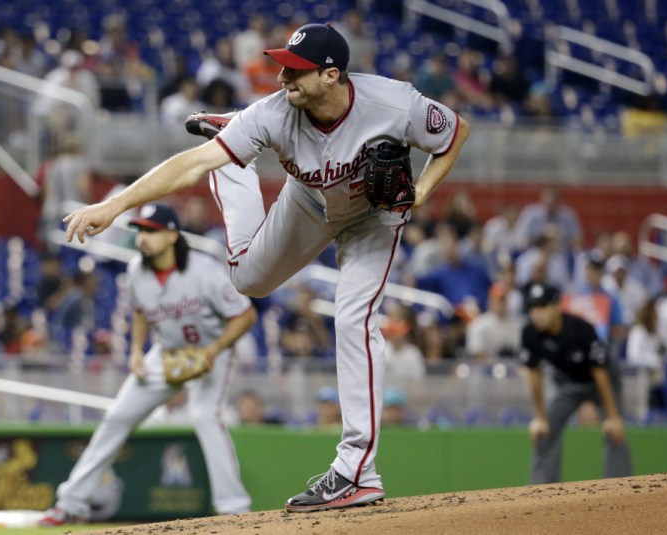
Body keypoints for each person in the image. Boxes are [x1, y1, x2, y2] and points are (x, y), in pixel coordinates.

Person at [62, 22, 469, 512]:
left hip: (374, 219)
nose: (282, 77)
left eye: (295, 71)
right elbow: (191, 164)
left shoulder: (395, 104)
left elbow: (454, 133)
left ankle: (356, 470)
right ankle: (231, 137)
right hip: (308, 201)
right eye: (282, 66)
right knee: (247, 280)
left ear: (331, 75)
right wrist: (115, 207)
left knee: (353, 318)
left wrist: (421, 193)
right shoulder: (276, 111)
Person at [39, 204, 257, 525]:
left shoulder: (203, 269)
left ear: (171, 235)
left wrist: (212, 351)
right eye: (140, 230)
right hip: (166, 351)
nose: (142, 237)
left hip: (212, 349)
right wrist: (137, 352)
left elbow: (245, 315)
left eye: (151, 231)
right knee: (117, 417)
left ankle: (234, 508)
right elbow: (140, 311)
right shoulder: (136, 270)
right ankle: (71, 503)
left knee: (205, 416)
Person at [519, 283, 632, 485]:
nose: (537, 313)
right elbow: (534, 378)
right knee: (545, 431)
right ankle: (540, 492)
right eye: (533, 308)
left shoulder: (582, 329)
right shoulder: (530, 333)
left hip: (602, 381)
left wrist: (613, 416)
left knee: (614, 429)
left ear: (557, 306)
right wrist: (540, 417)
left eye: (542, 306)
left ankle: (619, 488)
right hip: (568, 383)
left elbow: (600, 373)